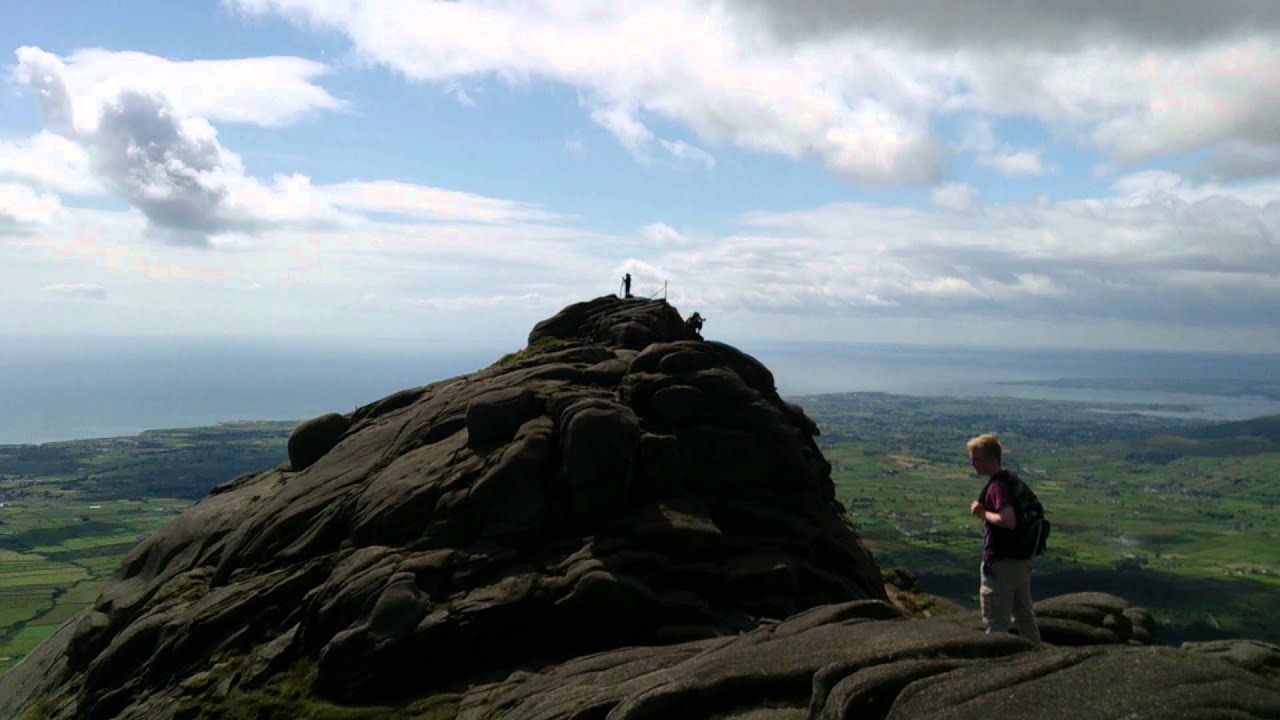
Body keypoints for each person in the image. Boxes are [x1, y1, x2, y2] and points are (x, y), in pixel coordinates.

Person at [967, 433, 1041, 644]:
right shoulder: (1012, 480)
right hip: (1020, 562)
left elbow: (1008, 520)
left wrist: (982, 513)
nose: (973, 464)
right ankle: (1039, 659)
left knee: (996, 623)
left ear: (991, 458)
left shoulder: (997, 487)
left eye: (976, 459)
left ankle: (996, 669)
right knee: (1025, 618)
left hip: (1001, 565)